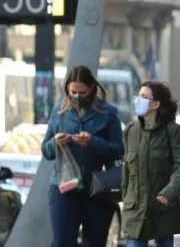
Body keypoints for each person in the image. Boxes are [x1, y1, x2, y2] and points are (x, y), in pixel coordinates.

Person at [41, 65, 124, 247]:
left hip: (97, 188)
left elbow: (118, 150)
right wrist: (55, 142)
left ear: (92, 88)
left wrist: (93, 142)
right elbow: (46, 151)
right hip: (64, 187)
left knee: (94, 242)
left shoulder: (108, 113)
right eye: (73, 92)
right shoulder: (59, 112)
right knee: (62, 242)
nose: (77, 97)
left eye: (82, 92)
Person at [122, 81, 180, 247]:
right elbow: (126, 170)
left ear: (155, 103)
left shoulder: (172, 131)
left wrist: (171, 191)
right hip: (136, 210)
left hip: (165, 210)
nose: (139, 101)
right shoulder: (131, 131)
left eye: (144, 97)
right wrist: (126, 199)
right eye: (138, 97)